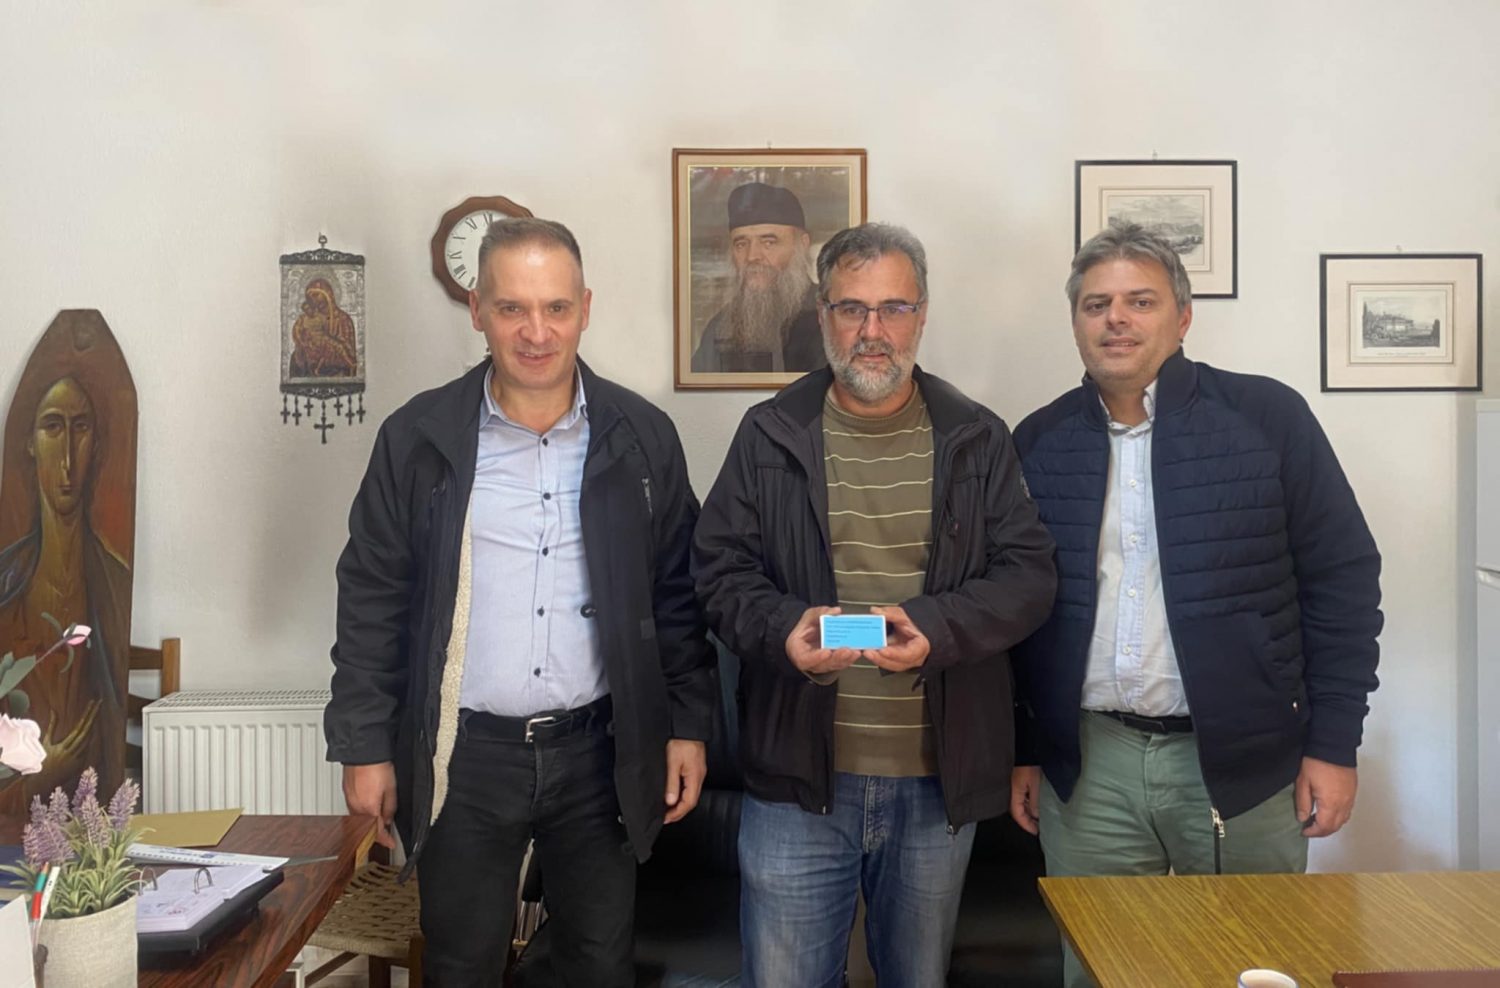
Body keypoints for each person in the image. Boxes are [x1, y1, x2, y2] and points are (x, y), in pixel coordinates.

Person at [325, 217, 716, 987]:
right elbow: (372, 595)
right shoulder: (418, 439)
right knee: (461, 964)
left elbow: (677, 593)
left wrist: (689, 726)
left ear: (585, 308)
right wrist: (364, 745)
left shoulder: (642, 437)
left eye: (556, 308)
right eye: (512, 308)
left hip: (600, 753)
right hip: (465, 758)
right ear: (478, 310)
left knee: (597, 966)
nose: (536, 332)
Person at [1008, 224, 1383, 987]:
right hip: (1091, 765)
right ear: (1075, 322)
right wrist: (1025, 746)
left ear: (1182, 317)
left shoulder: (1267, 419)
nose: (1116, 319)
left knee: (1255, 965)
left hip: (1243, 763)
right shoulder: (1039, 440)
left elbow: (1342, 579)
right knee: (1104, 970)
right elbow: (1017, 609)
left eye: (1139, 301)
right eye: (1096, 304)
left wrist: (1334, 744)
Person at [693, 223, 1057, 987]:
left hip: (935, 785)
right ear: (822, 314)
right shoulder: (769, 433)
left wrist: (935, 627)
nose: (872, 331)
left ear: (921, 315)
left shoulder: (976, 436)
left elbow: (1028, 578)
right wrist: (783, 628)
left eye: (894, 308)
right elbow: (719, 573)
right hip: (795, 781)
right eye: (852, 308)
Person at [0, 375, 128, 813]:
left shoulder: (113, 584)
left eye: (81, 428)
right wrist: (37, 778)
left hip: (96, 814)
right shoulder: (6, 584)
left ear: (98, 446)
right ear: (30, 443)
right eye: (53, 427)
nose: (68, 457)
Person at [690, 181, 825, 374]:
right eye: (741, 244)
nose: (752, 256)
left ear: (802, 245)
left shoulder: (834, 317)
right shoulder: (719, 328)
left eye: (769, 242)